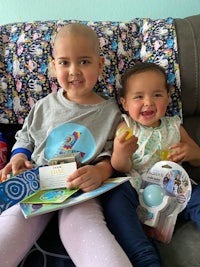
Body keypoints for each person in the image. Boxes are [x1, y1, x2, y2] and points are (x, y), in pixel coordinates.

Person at [0, 23, 132, 267]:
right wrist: (18, 157)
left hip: (80, 191)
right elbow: (25, 137)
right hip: (37, 185)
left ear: (100, 65)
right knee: (10, 226)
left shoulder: (111, 113)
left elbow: (110, 156)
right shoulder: (43, 106)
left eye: (84, 61)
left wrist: (100, 172)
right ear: (53, 66)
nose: (74, 71)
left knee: (88, 231)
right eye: (64, 62)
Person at [101, 62, 200, 267]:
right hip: (138, 193)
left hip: (175, 189)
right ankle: (145, 258)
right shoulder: (126, 127)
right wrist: (120, 152)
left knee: (198, 196)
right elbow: (121, 167)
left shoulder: (175, 126)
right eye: (138, 97)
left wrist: (191, 152)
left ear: (168, 97)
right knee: (116, 197)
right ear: (125, 103)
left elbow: (197, 158)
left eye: (157, 95)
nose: (148, 102)